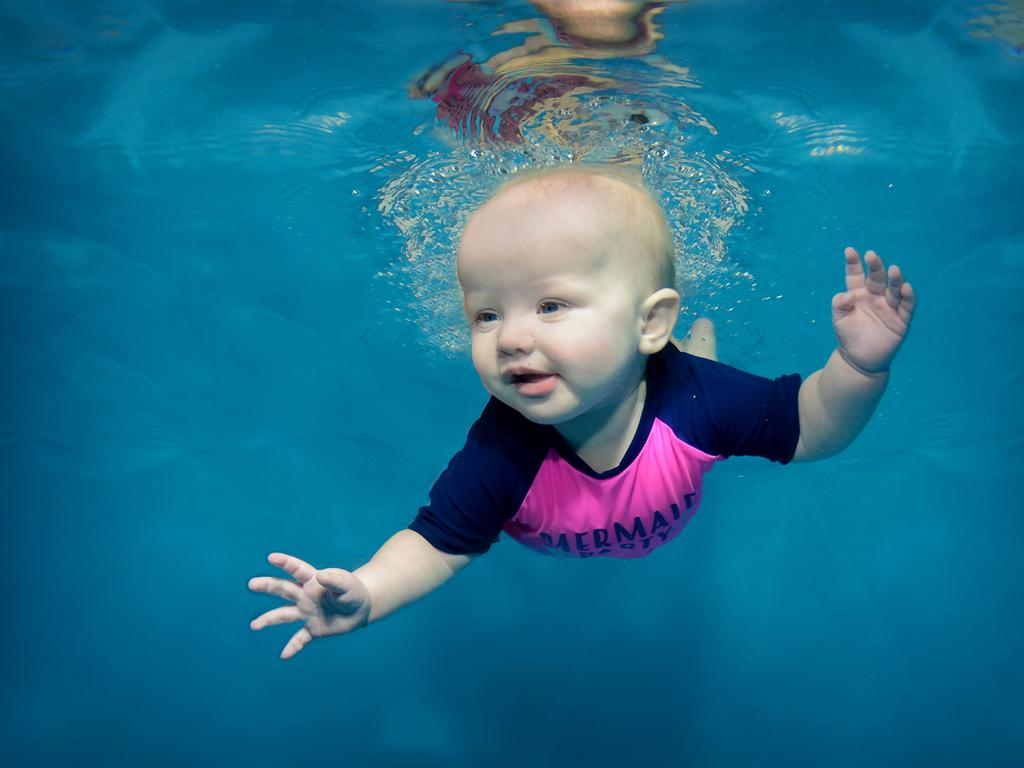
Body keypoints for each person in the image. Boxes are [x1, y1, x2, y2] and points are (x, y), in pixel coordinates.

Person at [248, 166, 916, 659]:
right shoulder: (502, 452)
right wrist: (365, 593)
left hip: (678, 397)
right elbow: (438, 544)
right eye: (486, 314)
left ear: (649, 319)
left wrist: (858, 368)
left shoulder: (697, 402)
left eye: (550, 306)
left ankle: (691, 341)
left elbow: (810, 429)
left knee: (701, 373)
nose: (510, 338)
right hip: (642, 431)